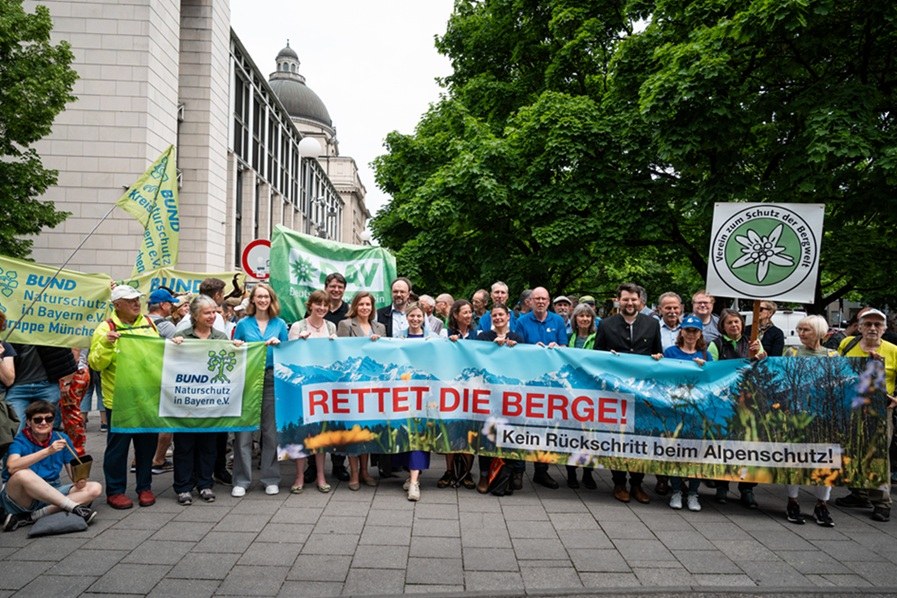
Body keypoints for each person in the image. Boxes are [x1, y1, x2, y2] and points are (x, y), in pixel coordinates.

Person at [89, 284, 161, 509]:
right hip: (119, 399)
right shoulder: (105, 328)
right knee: (118, 448)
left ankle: (144, 487)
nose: (136, 303)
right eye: (130, 301)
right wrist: (107, 345)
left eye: (137, 299)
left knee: (146, 445)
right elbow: (95, 363)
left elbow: (159, 354)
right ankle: (115, 490)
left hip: (147, 397)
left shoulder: (148, 324)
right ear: (117, 305)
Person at [169, 295, 244, 505]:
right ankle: (183, 487)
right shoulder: (182, 336)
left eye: (214, 312)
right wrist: (174, 346)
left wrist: (236, 348)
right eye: (207, 312)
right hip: (186, 403)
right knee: (184, 445)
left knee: (208, 445)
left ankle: (204, 484)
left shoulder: (220, 337)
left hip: (211, 403)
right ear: (194, 315)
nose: (212, 316)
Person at [595, 282, 662, 504]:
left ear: (641, 302)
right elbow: (597, 356)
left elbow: (657, 354)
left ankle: (637, 484)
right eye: (625, 299)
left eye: (633, 299)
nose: (629, 303)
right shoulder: (606, 324)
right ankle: (619, 483)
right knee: (617, 437)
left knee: (640, 438)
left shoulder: (652, 325)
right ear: (618, 301)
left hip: (642, 392)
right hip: (616, 392)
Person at [834, 308, 897, 522]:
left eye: (877, 325)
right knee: (852, 449)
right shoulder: (847, 345)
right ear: (859, 327)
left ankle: (881, 502)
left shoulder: (893, 351)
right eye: (868, 324)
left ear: (885, 329)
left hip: (878, 410)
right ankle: (858, 493)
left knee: (877, 454)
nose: (872, 328)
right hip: (850, 406)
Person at [1, 400, 102, 532]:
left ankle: (31, 517)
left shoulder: (61, 438)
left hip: (51, 490)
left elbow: (73, 476)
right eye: (38, 420)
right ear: (28, 422)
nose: (44, 423)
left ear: (53, 421)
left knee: (95, 488)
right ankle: (73, 507)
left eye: (48, 419)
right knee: (22, 473)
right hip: (22, 496)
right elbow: (12, 466)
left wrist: (80, 480)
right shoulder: (20, 440)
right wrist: (48, 451)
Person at [231, 283, 289, 498]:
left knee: (270, 432)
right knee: (244, 432)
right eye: (259, 296)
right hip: (247, 380)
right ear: (253, 300)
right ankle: (241, 479)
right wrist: (236, 345)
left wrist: (280, 345)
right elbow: (234, 350)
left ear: (271, 299)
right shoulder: (243, 324)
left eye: (266, 296)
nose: (263, 300)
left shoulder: (280, 324)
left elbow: (288, 353)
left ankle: (271, 478)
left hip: (272, 379)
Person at [781, 315, 837, 527]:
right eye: (799, 329)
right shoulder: (792, 353)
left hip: (823, 415)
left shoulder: (832, 356)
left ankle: (822, 505)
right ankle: (792, 501)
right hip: (797, 414)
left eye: (807, 330)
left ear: (820, 332)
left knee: (825, 459)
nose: (801, 334)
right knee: (795, 458)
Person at [709, 308, 766, 508]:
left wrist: (760, 355)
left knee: (748, 444)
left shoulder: (752, 344)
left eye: (737, 322)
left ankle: (747, 489)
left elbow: (763, 368)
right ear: (722, 326)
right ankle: (722, 486)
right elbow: (712, 370)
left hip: (749, 401)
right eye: (729, 323)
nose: (734, 325)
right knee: (724, 444)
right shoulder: (715, 345)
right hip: (725, 401)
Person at [515, 287, 568, 490]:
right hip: (528, 382)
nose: (540, 302)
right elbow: (518, 349)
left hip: (551, 384)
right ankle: (519, 471)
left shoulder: (557, 321)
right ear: (530, 301)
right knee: (523, 426)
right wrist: (531, 350)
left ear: (549, 301)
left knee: (546, 429)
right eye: (536, 298)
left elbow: (565, 348)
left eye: (543, 299)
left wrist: (557, 349)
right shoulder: (522, 321)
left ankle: (541, 472)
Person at [336, 292, 387, 490]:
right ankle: (354, 473)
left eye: (368, 304)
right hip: (352, 385)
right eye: (361, 304)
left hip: (373, 387)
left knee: (367, 430)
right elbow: (341, 354)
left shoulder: (380, 327)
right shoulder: (346, 325)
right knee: (353, 430)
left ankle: (366, 471)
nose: (365, 307)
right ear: (355, 306)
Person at [288, 290, 336, 494]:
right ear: (310, 305)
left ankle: (321, 475)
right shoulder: (298, 326)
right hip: (301, 386)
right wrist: (298, 340)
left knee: (320, 433)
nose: (322, 308)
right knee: (300, 433)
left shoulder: (331, 326)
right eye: (318, 304)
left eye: (325, 305)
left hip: (322, 388)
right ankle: (299, 476)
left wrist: (336, 343)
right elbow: (288, 356)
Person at [663, 314, 712, 512]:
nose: (691, 334)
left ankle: (693, 493)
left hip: (697, 410)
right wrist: (658, 360)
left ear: (700, 333)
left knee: (696, 451)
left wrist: (706, 367)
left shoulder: (705, 355)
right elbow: (663, 375)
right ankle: (676, 490)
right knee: (677, 450)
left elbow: (711, 380)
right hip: (676, 408)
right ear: (681, 331)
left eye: (695, 331)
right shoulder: (671, 352)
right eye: (687, 330)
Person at [475, 302, 523, 493]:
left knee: (509, 434)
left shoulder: (517, 338)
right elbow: (477, 359)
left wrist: (514, 349)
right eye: (494, 315)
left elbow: (523, 363)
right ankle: (484, 475)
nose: (498, 318)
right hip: (489, 395)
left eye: (501, 315)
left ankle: (507, 474)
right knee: (487, 434)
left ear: (508, 317)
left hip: (510, 395)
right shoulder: (484, 337)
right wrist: (491, 348)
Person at [392, 302, 434, 501]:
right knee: (405, 435)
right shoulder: (398, 337)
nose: (415, 320)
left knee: (420, 435)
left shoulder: (432, 338)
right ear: (406, 317)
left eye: (419, 316)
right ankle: (411, 474)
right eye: (412, 316)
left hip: (425, 394)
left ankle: (415, 482)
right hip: (404, 394)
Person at [439, 299, 478, 490]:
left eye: (470, 312)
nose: (468, 315)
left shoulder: (478, 335)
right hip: (451, 390)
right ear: (455, 315)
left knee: (469, 432)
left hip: (472, 391)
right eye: (465, 312)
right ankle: (449, 471)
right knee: (451, 430)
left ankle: (466, 472)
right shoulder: (445, 334)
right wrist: (448, 343)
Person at [565, 302, 598, 490]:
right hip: (572, 392)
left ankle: (588, 473)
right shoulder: (568, 337)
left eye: (588, 316)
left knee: (590, 434)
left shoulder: (598, 338)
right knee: (572, 433)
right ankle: (571, 472)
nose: (584, 319)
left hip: (591, 392)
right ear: (575, 319)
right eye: (581, 316)